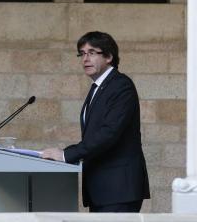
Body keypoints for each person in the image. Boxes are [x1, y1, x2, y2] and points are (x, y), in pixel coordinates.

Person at [41, 31, 150, 212]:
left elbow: (109, 133)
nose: (85, 59)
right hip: (101, 188)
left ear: (108, 56)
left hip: (118, 188)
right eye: (82, 53)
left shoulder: (121, 85)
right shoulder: (98, 88)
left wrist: (66, 155)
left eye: (92, 52)